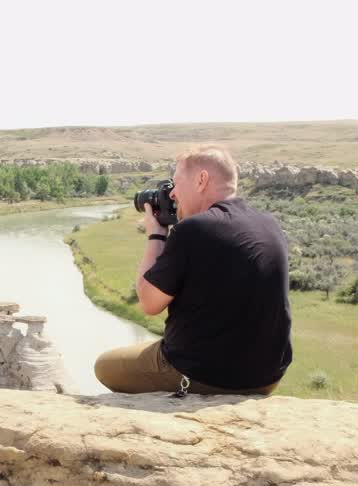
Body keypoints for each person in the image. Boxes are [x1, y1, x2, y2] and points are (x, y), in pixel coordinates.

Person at [94, 144, 292, 395]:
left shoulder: (194, 229)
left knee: (104, 365)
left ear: (201, 180)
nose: (173, 194)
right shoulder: (269, 224)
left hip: (201, 376)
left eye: (176, 183)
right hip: (266, 378)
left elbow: (149, 303)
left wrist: (156, 235)